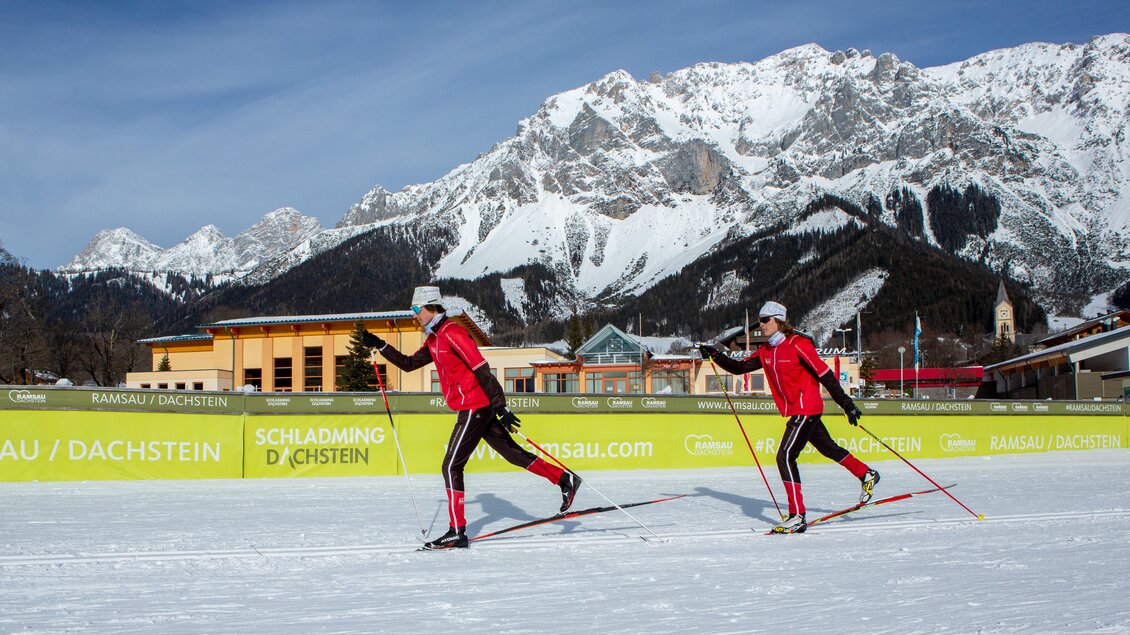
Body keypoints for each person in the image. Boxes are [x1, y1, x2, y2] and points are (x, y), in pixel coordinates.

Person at [361, 286, 582, 550]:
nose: (414, 316)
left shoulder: (452, 332)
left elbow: (480, 367)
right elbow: (409, 364)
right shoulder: (434, 339)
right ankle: (563, 478)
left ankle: (457, 531)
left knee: (451, 466)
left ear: (431, 307)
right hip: (474, 407)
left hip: (475, 406)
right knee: (512, 453)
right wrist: (380, 344)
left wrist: (501, 406)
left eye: (416, 310)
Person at [699, 301, 877, 534]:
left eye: (765, 320)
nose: (760, 325)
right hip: (797, 410)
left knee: (785, 456)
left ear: (779, 321)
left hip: (807, 409)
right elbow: (739, 368)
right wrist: (715, 354)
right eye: (759, 321)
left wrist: (847, 405)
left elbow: (826, 376)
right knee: (828, 448)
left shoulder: (798, 344)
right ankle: (866, 473)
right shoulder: (767, 350)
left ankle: (796, 516)